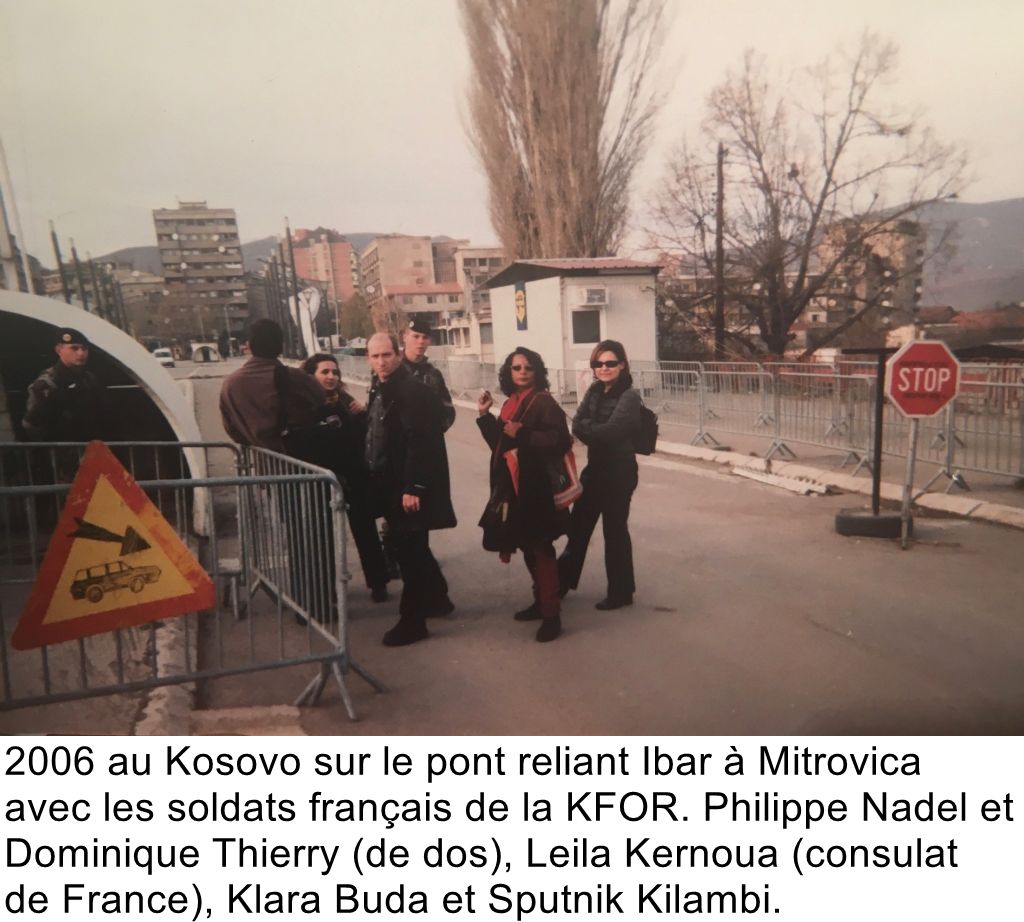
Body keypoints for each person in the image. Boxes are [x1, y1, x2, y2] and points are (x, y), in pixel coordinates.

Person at [365, 332, 456, 646]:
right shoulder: (383, 386)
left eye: (386, 355)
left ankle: (413, 621)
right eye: (375, 356)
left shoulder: (412, 390)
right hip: (392, 484)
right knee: (413, 549)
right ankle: (439, 600)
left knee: (411, 554)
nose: (381, 361)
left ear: (398, 354)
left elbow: (422, 441)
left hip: (408, 487)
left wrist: (413, 486)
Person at [477, 347, 571, 642]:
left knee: (541, 549)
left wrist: (525, 435)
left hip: (537, 489)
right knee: (529, 548)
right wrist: (484, 416)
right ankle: (541, 603)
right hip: (514, 487)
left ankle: (551, 615)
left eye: (528, 367)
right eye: (516, 368)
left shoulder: (544, 402)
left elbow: (561, 441)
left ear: (537, 371)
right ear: (508, 372)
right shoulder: (509, 403)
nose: (522, 372)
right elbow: (500, 444)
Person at [558, 340, 643, 610]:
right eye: (598, 363)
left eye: (610, 363)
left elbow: (612, 432)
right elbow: (576, 424)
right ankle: (558, 585)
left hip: (620, 470)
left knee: (614, 531)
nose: (603, 368)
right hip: (595, 469)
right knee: (579, 527)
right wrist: (589, 428)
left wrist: (588, 428)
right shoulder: (594, 390)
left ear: (622, 365)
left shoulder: (629, 396)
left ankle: (621, 592)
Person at [300, 353, 390, 602]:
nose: (331, 377)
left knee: (365, 530)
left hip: (354, 476)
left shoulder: (347, 402)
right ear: (311, 376)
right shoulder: (305, 407)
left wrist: (362, 414)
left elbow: (364, 437)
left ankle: (378, 582)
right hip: (323, 479)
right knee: (324, 537)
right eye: (325, 372)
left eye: (335, 372)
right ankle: (327, 591)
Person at [219, 318, 324, 453]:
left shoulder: (230, 384)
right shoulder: (295, 377)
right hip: (299, 460)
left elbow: (231, 428)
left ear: (249, 346)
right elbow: (320, 398)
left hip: (263, 464)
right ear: (281, 346)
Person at [23, 327, 106, 442]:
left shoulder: (89, 379)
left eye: (84, 348)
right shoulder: (48, 383)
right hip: (63, 450)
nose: (81, 353)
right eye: (74, 348)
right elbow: (32, 425)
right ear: (58, 350)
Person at [402, 317, 455, 431]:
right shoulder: (393, 370)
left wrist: (432, 432)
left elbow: (448, 409)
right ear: (405, 338)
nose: (421, 341)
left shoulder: (434, 374)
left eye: (425, 337)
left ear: (429, 341)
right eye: (416, 336)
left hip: (428, 444)